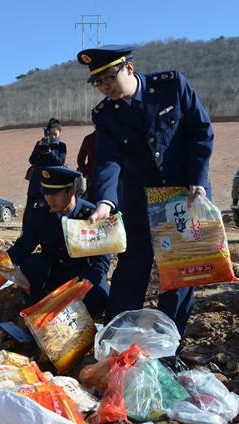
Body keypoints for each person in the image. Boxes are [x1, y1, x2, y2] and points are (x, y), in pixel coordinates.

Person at [77, 44, 214, 335]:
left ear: (129, 68)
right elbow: (108, 161)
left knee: (179, 274)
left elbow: (200, 132)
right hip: (141, 200)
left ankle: (167, 343)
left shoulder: (171, 86)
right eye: (98, 83)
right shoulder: (105, 115)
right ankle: (116, 339)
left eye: (109, 79)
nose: (104, 87)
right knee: (130, 270)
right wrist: (105, 201)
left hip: (185, 194)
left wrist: (197, 179)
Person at [7, 166, 110, 316]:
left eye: (55, 194)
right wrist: (3, 260)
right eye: (46, 194)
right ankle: (36, 310)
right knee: (32, 264)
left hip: (82, 275)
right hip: (54, 273)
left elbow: (102, 260)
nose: (49, 199)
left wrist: (83, 285)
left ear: (71, 191)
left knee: (99, 300)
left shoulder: (90, 215)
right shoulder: (41, 213)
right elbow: (25, 244)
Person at [22, 118, 66, 229]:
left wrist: (50, 152)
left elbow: (60, 161)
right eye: (51, 134)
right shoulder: (40, 143)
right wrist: (40, 147)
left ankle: (49, 229)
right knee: (31, 206)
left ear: (59, 132)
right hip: (36, 180)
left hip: (51, 181)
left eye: (55, 134)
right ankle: (26, 229)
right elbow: (32, 160)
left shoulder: (61, 146)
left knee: (49, 205)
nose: (53, 136)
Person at [77, 130, 96, 202]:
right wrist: (85, 173)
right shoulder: (89, 139)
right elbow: (80, 158)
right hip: (92, 179)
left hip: (109, 179)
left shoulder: (111, 139)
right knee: (92, 205)